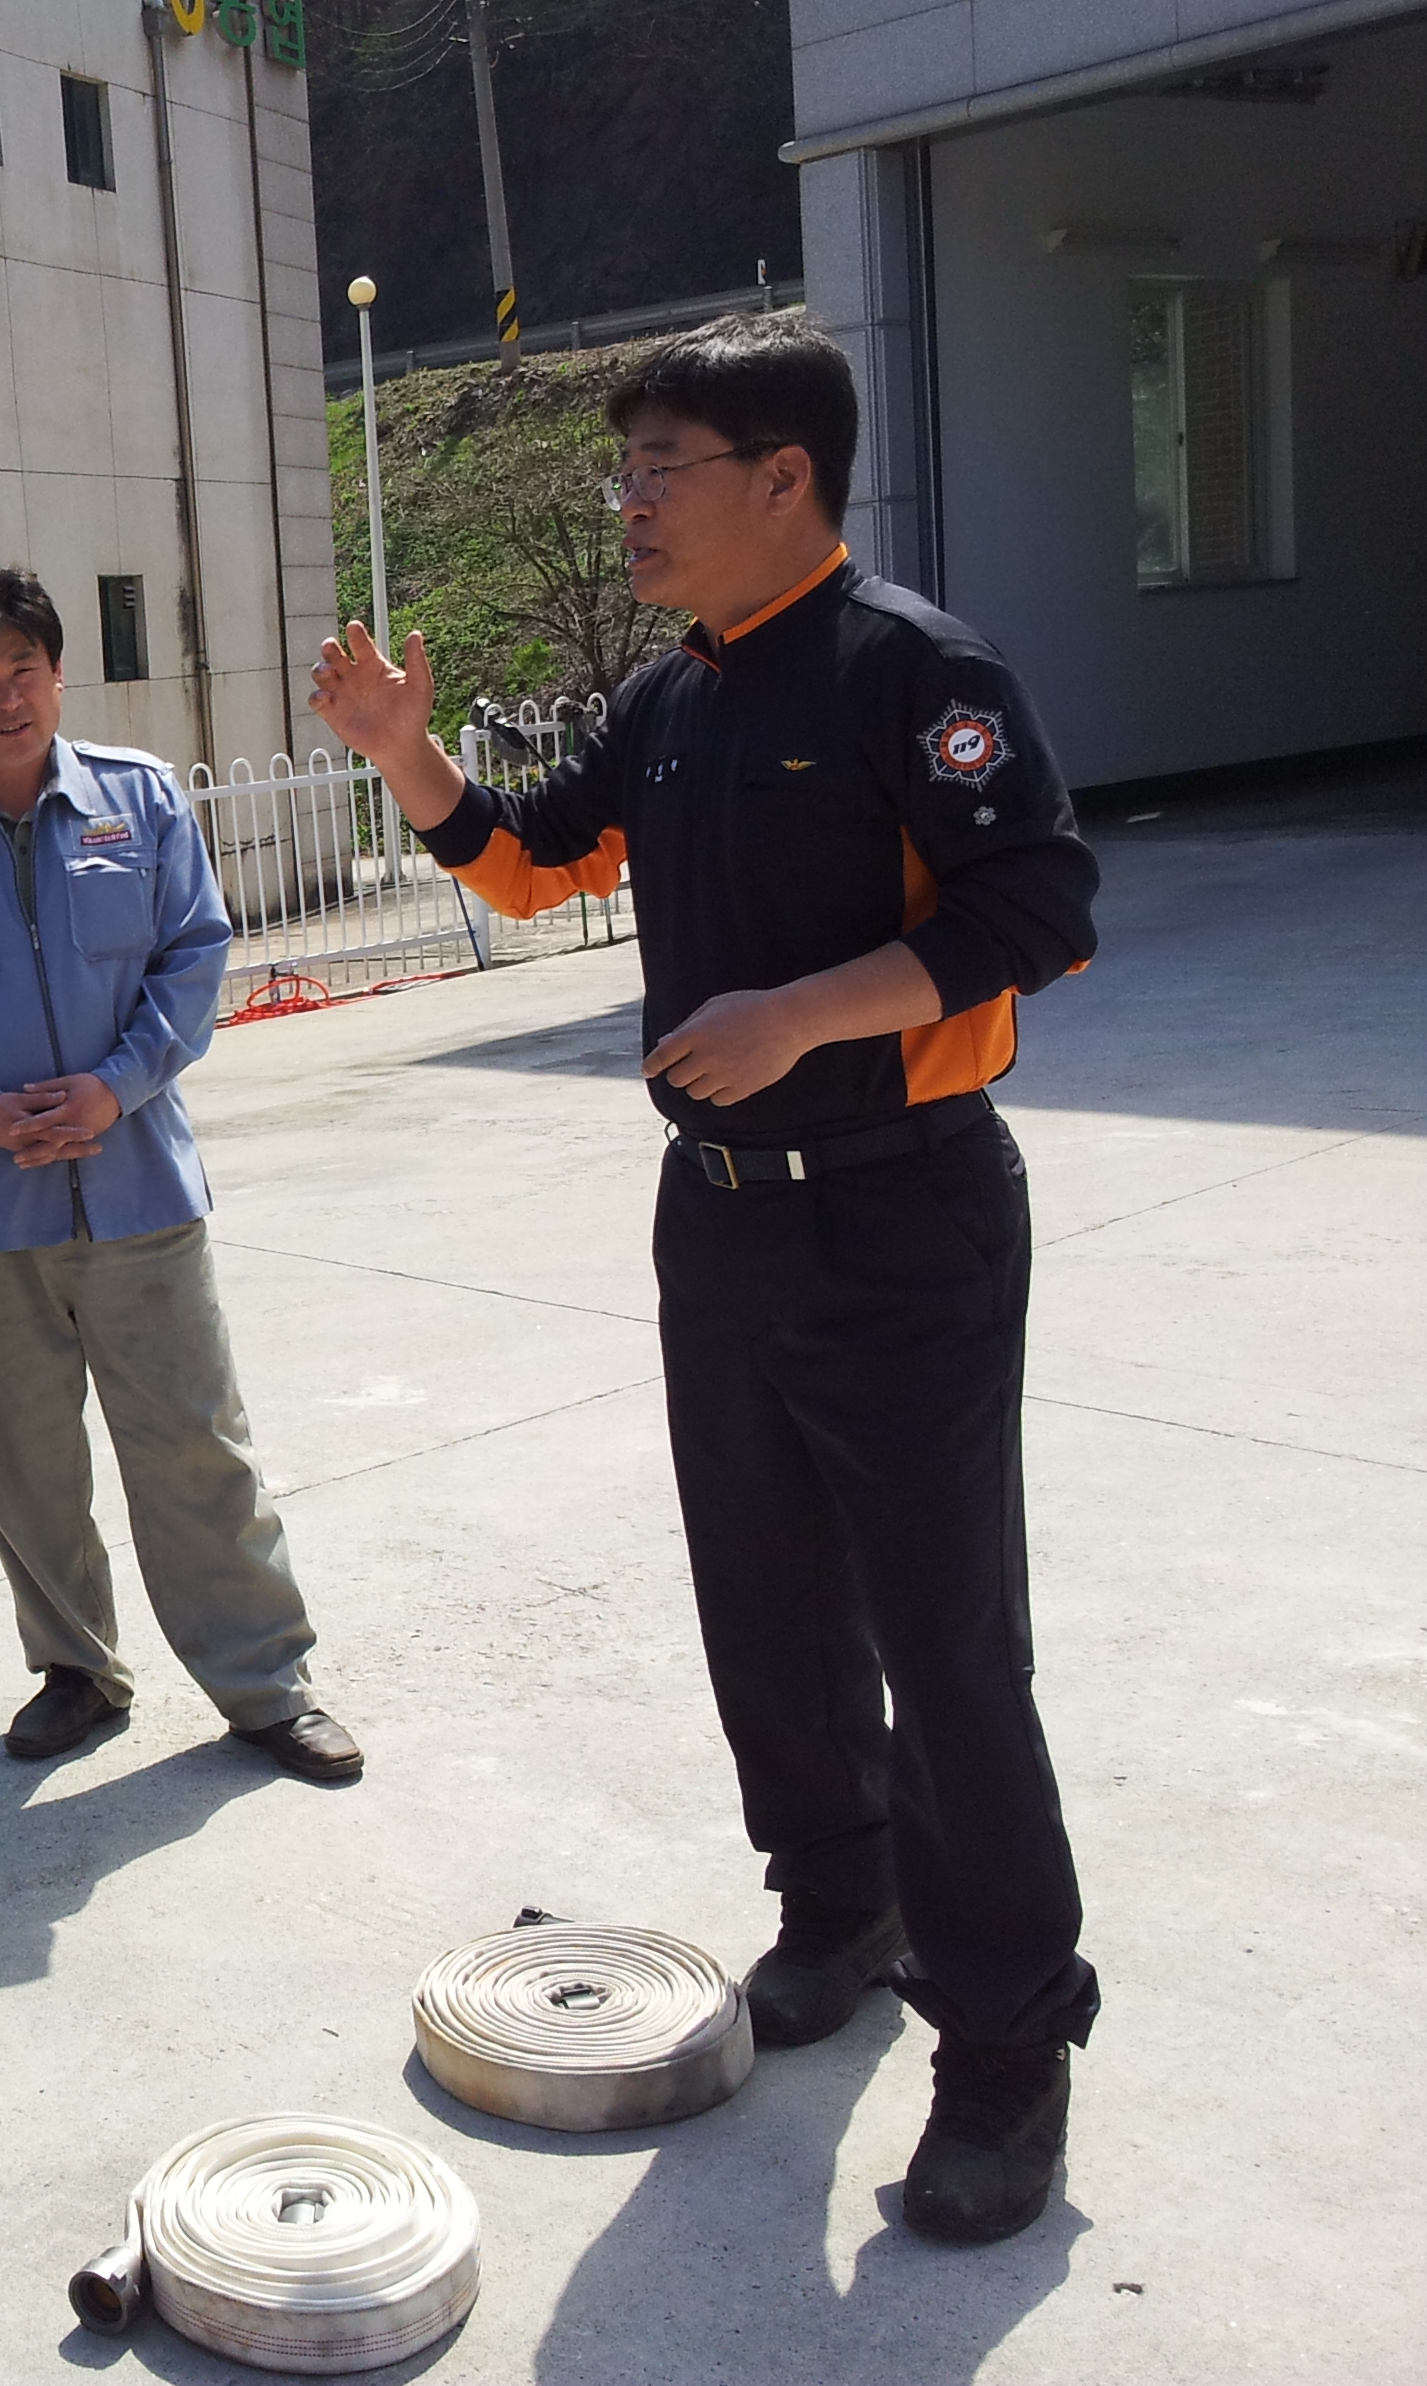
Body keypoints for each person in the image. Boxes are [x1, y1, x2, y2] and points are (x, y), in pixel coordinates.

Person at [307, 313, 1101, 2243]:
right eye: (626, 469)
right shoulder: (671, 695)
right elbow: (534, 861)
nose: (630, 501)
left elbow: (1037, 908)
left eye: (660, 466)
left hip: (902, 1217)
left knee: (942, 1636)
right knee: (763, 1591)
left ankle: (1004, 2043)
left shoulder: (912, 670)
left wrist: (798, 1012)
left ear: (782, 477)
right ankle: (836, 1895)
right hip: (721, 1214)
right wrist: (406, 754)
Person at [0, 567, 362, 1784]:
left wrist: (116, 1085)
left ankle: (265, 1686)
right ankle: (75, 1670)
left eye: (24, 669)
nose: (7, 697)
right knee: (23, 1464)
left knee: (196, 1448)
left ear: (59, 674)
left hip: (139, 1194)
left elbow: (194, 955)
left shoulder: (139, 802)